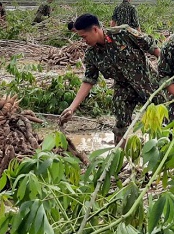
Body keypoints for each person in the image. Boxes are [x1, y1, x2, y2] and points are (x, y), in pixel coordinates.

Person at [60, 14, 163, 145]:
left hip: (148, 83)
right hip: (123, 89)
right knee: (120, 125)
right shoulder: (92, 55)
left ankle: (166, 153)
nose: (83, 41)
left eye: (84, 37)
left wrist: (168, 73)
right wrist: (72, 108)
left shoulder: (123, 33)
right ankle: (120, 158)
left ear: (95, 30)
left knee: (162, 118)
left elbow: (152, 48)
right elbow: (88, 80)